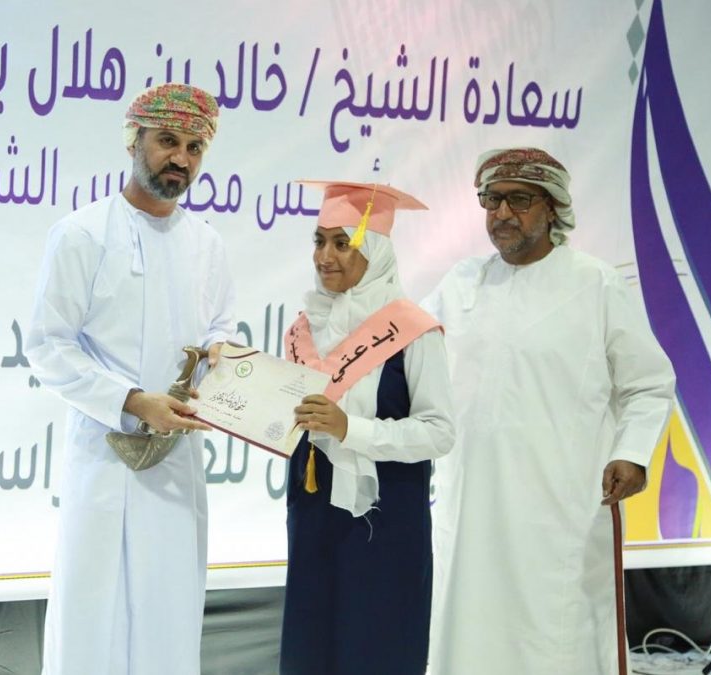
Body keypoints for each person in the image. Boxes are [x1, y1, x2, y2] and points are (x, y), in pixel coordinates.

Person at [423, 147, 676, 674]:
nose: (502, 213)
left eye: (519, 200)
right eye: (492, 200)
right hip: (471, 504)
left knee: (557, 637)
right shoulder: (460, 284)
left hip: (561, 505)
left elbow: (648, 383)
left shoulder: (595, 283)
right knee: (467, 631)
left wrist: (632, 453)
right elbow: (404, 359)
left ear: (553, 208)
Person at [25, 83, 235, 675]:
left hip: (176, 464)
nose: (181, 159)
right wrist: (132, 401)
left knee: (170, 615)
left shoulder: (207, 243)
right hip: (104, 457)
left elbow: (220, 324)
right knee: (94, 619)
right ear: (133, 141)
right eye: (168, 141)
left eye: (194, 147)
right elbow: (47, 345)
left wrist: (223, 353)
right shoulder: (82, 233)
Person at [280, 181, 455, 674]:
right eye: (319, 241)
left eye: (342, 243)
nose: (325, 257)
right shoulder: (304, 327)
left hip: (385, 519)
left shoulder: (413, 330)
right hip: (312, 509)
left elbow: (439, 431)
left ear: (374, 252)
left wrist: (350, 429)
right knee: (311, 646)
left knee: (377, 645)